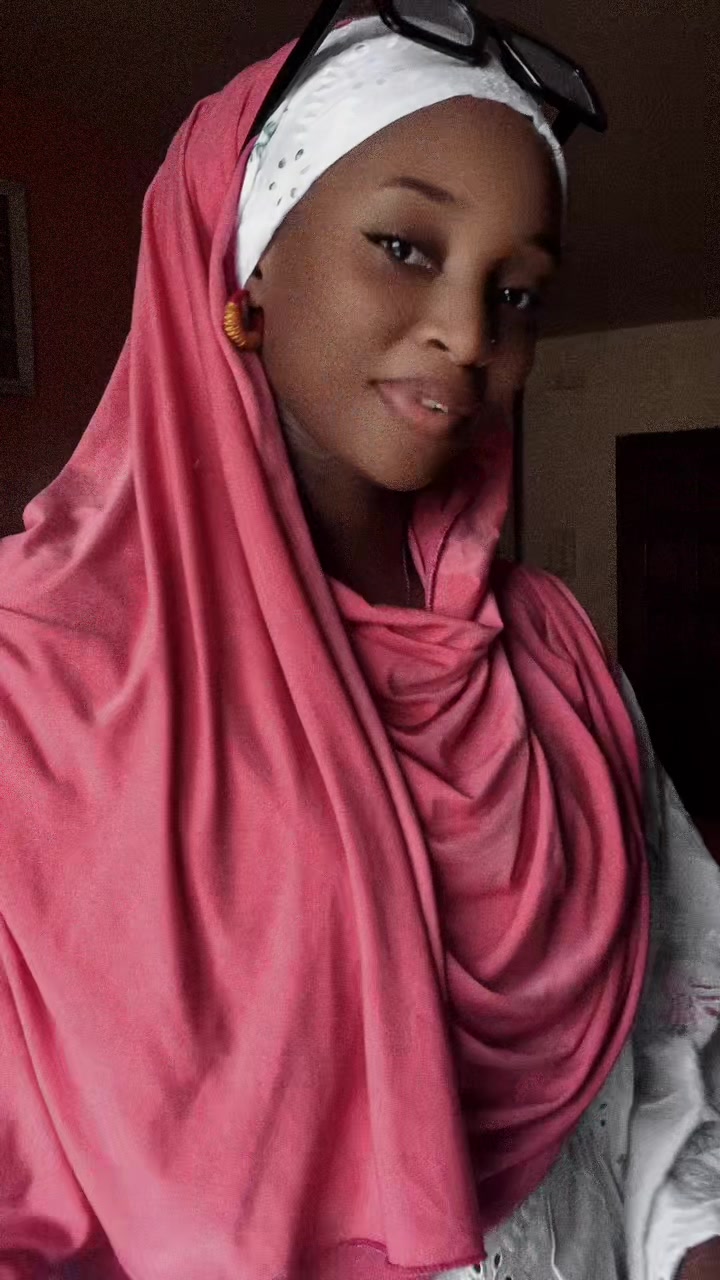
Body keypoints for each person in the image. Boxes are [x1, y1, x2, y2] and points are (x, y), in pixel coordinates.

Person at [0, 5, 718, 1280]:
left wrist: (694, 1235)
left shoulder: (560, 663)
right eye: (403, 246)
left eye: (517, 292)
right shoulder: (38, 681)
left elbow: (673, 1036)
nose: (469, 333)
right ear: (246, 261)